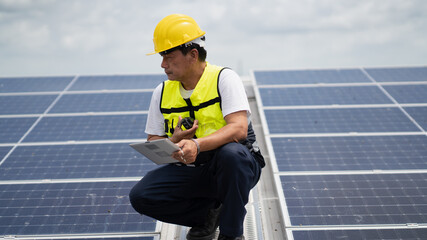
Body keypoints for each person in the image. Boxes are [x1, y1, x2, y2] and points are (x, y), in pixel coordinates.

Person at [129, 14, 265, 240]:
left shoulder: (224, 78)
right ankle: (206, 217)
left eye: (169, 57)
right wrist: (173, 142)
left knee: (232, 155)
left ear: (193, 55)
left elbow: (238, 129)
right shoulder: (161, 92)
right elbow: (153, 139)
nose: (163, 64)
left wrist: (196, 144)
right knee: (141, 196)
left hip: (235, 167)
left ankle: (231, 234)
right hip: (193, 170)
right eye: (162, 57)